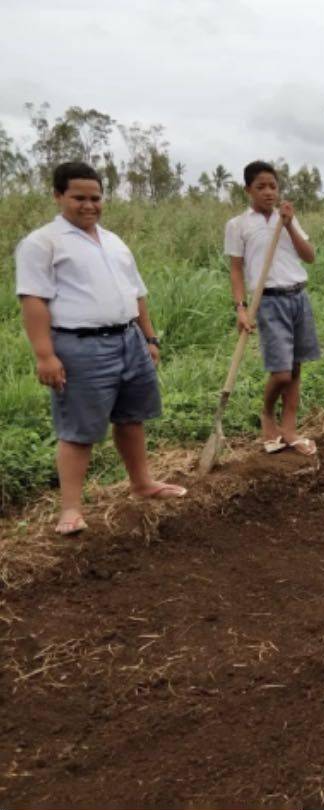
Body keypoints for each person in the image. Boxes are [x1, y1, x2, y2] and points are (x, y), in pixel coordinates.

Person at [15, 161, 186, 535]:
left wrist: (149, 337)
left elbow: (137, 293)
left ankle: (142, 484)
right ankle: (71, 509)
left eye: (95, 198)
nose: (89, 205)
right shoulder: (42, 243)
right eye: (79, 197)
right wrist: (45, 354)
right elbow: (33, 301)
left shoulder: (112, 240)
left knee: (131, 417)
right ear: (58, 195)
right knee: (78, 429)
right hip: (80, 346)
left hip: (129, 339)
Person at [225, 160, 319, 455]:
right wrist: (240, 308)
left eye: (273, 186)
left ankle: (289, 429)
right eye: (261, 187)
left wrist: (290, 225)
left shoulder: (287, 218)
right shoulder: (238, 225)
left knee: (295, 367)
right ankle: (267, 414)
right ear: (247, 190)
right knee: (280, 372)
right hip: (267, 300)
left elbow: (310, 256)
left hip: (298, 296)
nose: (268, 192)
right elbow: (237, 270)